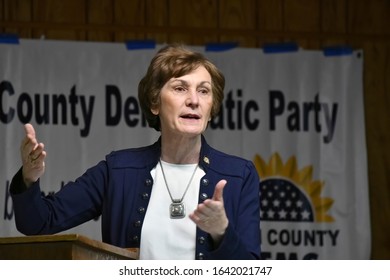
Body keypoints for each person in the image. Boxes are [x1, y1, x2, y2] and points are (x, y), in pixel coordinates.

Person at [10, 44, 261, 260]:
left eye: (204, 91)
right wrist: (29, 178)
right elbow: (38, 223)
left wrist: (221, 231)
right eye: (180, 88)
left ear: (211, 106)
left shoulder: (239, 175)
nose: (194, 100)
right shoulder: (118, 170)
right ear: (154, 102)